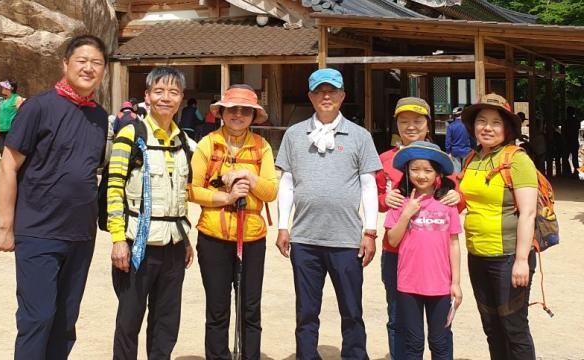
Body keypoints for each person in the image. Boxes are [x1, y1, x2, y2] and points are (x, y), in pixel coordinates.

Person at [0, 35, 109, 359]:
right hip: (38, 233)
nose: (89, 68)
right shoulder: (38, 107)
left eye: (96, 63)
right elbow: (8, 166)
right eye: (82, 60)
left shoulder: (100, 117)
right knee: (37, 317)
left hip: (80, 236)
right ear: (65, 64)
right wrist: (5, 225)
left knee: (65, 322)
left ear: (103, 71)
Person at [275, 68, 382, 359]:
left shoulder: (359, 136)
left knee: (352, 310)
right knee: (306, 311)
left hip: (347, 240)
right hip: (305, 239)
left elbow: (368, 184)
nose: (326, 96)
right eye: (319, 91)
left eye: (332, 90)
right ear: (310, 96)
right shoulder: (295, 135)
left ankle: (355, 355)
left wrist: (370, 231)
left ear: (342, 96)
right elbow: (286, 182)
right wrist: (283, 226)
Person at [107, 66, 195, 359]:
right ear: (147, 96)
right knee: (129, 320)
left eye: (173, 92)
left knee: (166, 322)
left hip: (172, 246)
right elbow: (114, 187)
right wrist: (118, 239)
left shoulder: (183, 140)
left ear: (182, 97)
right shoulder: (131, 134)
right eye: (159, 91)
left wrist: (184, 238)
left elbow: (180, 194)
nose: (166, 98)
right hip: (136, 246)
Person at [188, 84, 278, 359]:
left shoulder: (261, 147)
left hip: (251, 238)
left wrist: (247, 177)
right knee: (217, 308)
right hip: (213, 237)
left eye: (245, 111)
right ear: (222, 113)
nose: (238, 115)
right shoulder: (207, 144)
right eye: (232, 110)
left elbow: (271, 191)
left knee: (250, 307)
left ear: (253, 115)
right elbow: (192, 190)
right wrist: (226, 198)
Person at [375, 97, 463, 360]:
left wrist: (460, 198)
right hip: (397, 253)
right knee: (398, 316)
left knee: (439, 334)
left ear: (428, 124)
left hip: (435, 259)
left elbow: (455, 198)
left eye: (417, 121)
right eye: (404, 121)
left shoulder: (441, 161)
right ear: (397, 125)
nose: (410, 126)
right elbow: (376, 198)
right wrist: (385, 200)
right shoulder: (385, 159)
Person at [460, 93, 538, 359]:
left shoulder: (516, 159)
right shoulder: (472, 159)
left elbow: (528, 213)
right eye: (482, 121)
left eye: (495, 122)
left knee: (514, 327)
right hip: (478, 255)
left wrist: (520, 260)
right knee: (491, 327)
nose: (487, 128)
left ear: (506, 128)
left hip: (508, 258)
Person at [0, 79, 24, 156]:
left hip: (11, 130)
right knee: (2, 151)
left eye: (4, 87)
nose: (2, 88)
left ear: (10, 89)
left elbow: (22, 116)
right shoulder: (3, 100)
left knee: (10, 152)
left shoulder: (17, 99)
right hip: (2, 130)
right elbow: (0, 115)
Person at [445, 106, 474, 172]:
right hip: (467, 151)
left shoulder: (451, 126)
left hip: (455, 152)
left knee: (456, 171)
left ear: (454, 115)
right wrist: (473, 148)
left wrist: (448, 152)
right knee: (466, 170)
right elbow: (472, 139)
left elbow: (448, 141)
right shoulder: (467, 125)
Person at [564, 106, 580, 176]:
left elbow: (563, 132)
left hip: (568, 141)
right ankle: (576, 172)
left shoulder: (566, 122)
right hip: (574, 141)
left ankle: (568, 172)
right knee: (575, 158)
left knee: (565, 157)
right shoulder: (576, 121)